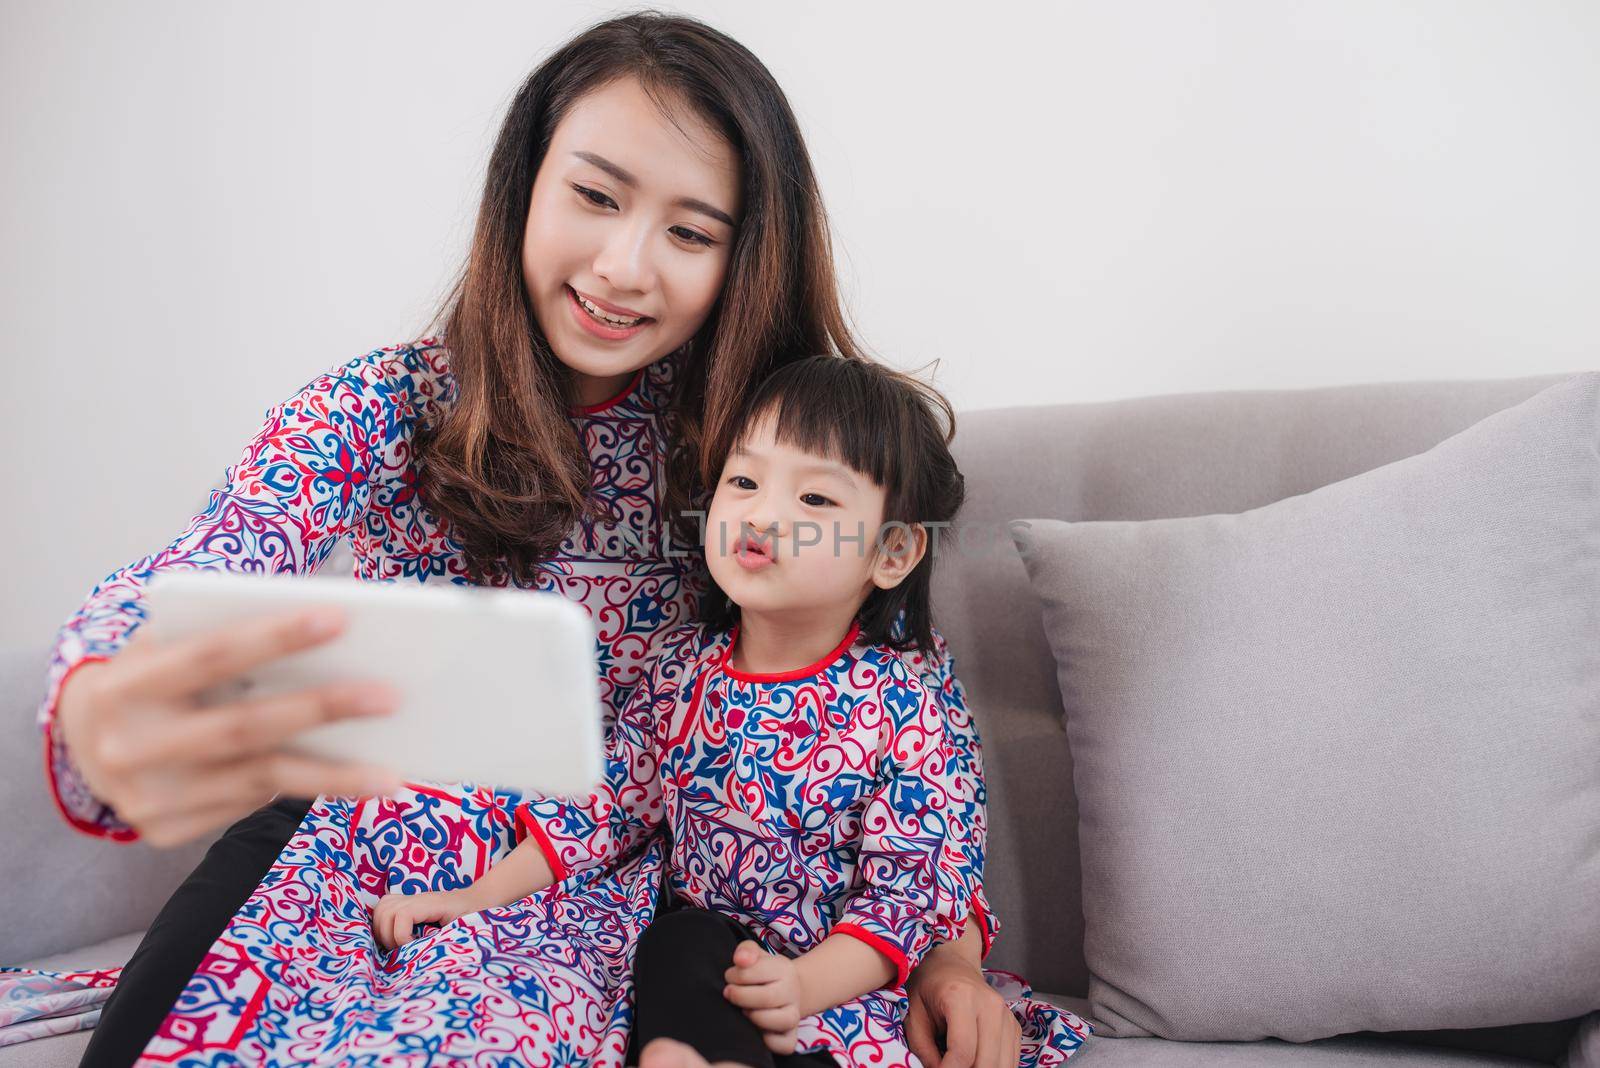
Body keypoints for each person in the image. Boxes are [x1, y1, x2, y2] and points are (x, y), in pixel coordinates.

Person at [41, 11, 1026, 1067]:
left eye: (690, 232)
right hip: (344, 837)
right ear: (525, 184)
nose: (623, 266)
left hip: (579, 885)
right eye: (594, 196)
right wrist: (104, 693)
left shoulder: (765, 442)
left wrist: (951, 959)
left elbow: (889, 722)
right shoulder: (385, 402)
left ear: (747, 255)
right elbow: (217, 553)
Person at [371, 358, 1089, 1067]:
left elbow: (916, 888)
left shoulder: (905, 697)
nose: (762, 512)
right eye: (743, 481)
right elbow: (603, 810)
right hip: (707, 966)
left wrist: (805, 984)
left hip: (847, 980)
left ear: (893, 552)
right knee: (680, 944)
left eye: (815, 501)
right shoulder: (680, 671)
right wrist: (474, 896)